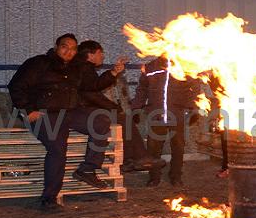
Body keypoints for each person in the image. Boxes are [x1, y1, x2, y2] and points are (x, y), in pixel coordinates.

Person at [8, 34, 112, 211]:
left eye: (73, 49)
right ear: (56, 47)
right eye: (65, 47)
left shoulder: (75, 68)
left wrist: (113, 73)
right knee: (57, 148)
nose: (68, 51)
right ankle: (49, 198)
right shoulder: (39, 63)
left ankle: (87, 169)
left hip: (69, 112)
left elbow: (92, 86)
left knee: (101, 120)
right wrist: (27, 110)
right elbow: (16, 86)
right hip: (43, 114)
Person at [74, 40, 164, 174]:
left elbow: (95, 86)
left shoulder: (83, 67)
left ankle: (130, 160)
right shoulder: (83, 68)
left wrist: (114, 72)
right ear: (90, 55)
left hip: (84, 109)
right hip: (82, 111)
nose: (103, 56)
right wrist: (114, 108)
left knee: (123, 119)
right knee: (124, 119)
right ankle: (139, 157)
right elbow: (92, 93)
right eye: (100, 53)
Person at [131, 55, 200, 187]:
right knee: (153, 147)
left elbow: (193, 89)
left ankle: (176, 176)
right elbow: (142, 89)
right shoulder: (150, 67)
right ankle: (154, 177)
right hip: (156, 114)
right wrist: (136, 108)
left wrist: (194, 109)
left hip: (177, 113)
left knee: (178, 146)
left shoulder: (185, 65)